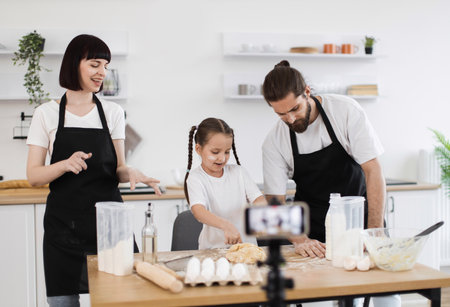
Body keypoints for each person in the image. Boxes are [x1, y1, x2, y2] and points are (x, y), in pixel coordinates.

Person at [26, 34, 161, 307]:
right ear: (75, 64)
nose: (102, 73)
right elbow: (33, 176)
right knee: (63, 301)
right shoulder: (46, 114)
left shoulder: (112, 112)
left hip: (111, 229)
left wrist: (132, 172)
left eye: (106, 66)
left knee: (125, 300)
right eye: (95, 64)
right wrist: (64, 164)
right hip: (63, 230)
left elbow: (119, 168)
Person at [261, 60, 400, 307]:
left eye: (295, 108)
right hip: (315, 230)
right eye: (281, 114)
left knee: (382, 294)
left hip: (362, 219)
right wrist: (300, 240)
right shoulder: (274, 142)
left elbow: (373, 170)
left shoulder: (345, 111)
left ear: (307, 91)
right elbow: (276, 203)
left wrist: (374, 231)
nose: (291, 119)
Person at [184, 117, 266, 249]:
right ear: (198, 149)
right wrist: (226, 225)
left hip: (246, 247)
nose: (222, 158)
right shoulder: (196, 178)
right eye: (215, 152)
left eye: (227, 152)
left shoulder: (239, 172)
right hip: (213, 251)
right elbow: (198, 211)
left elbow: (258, 198)